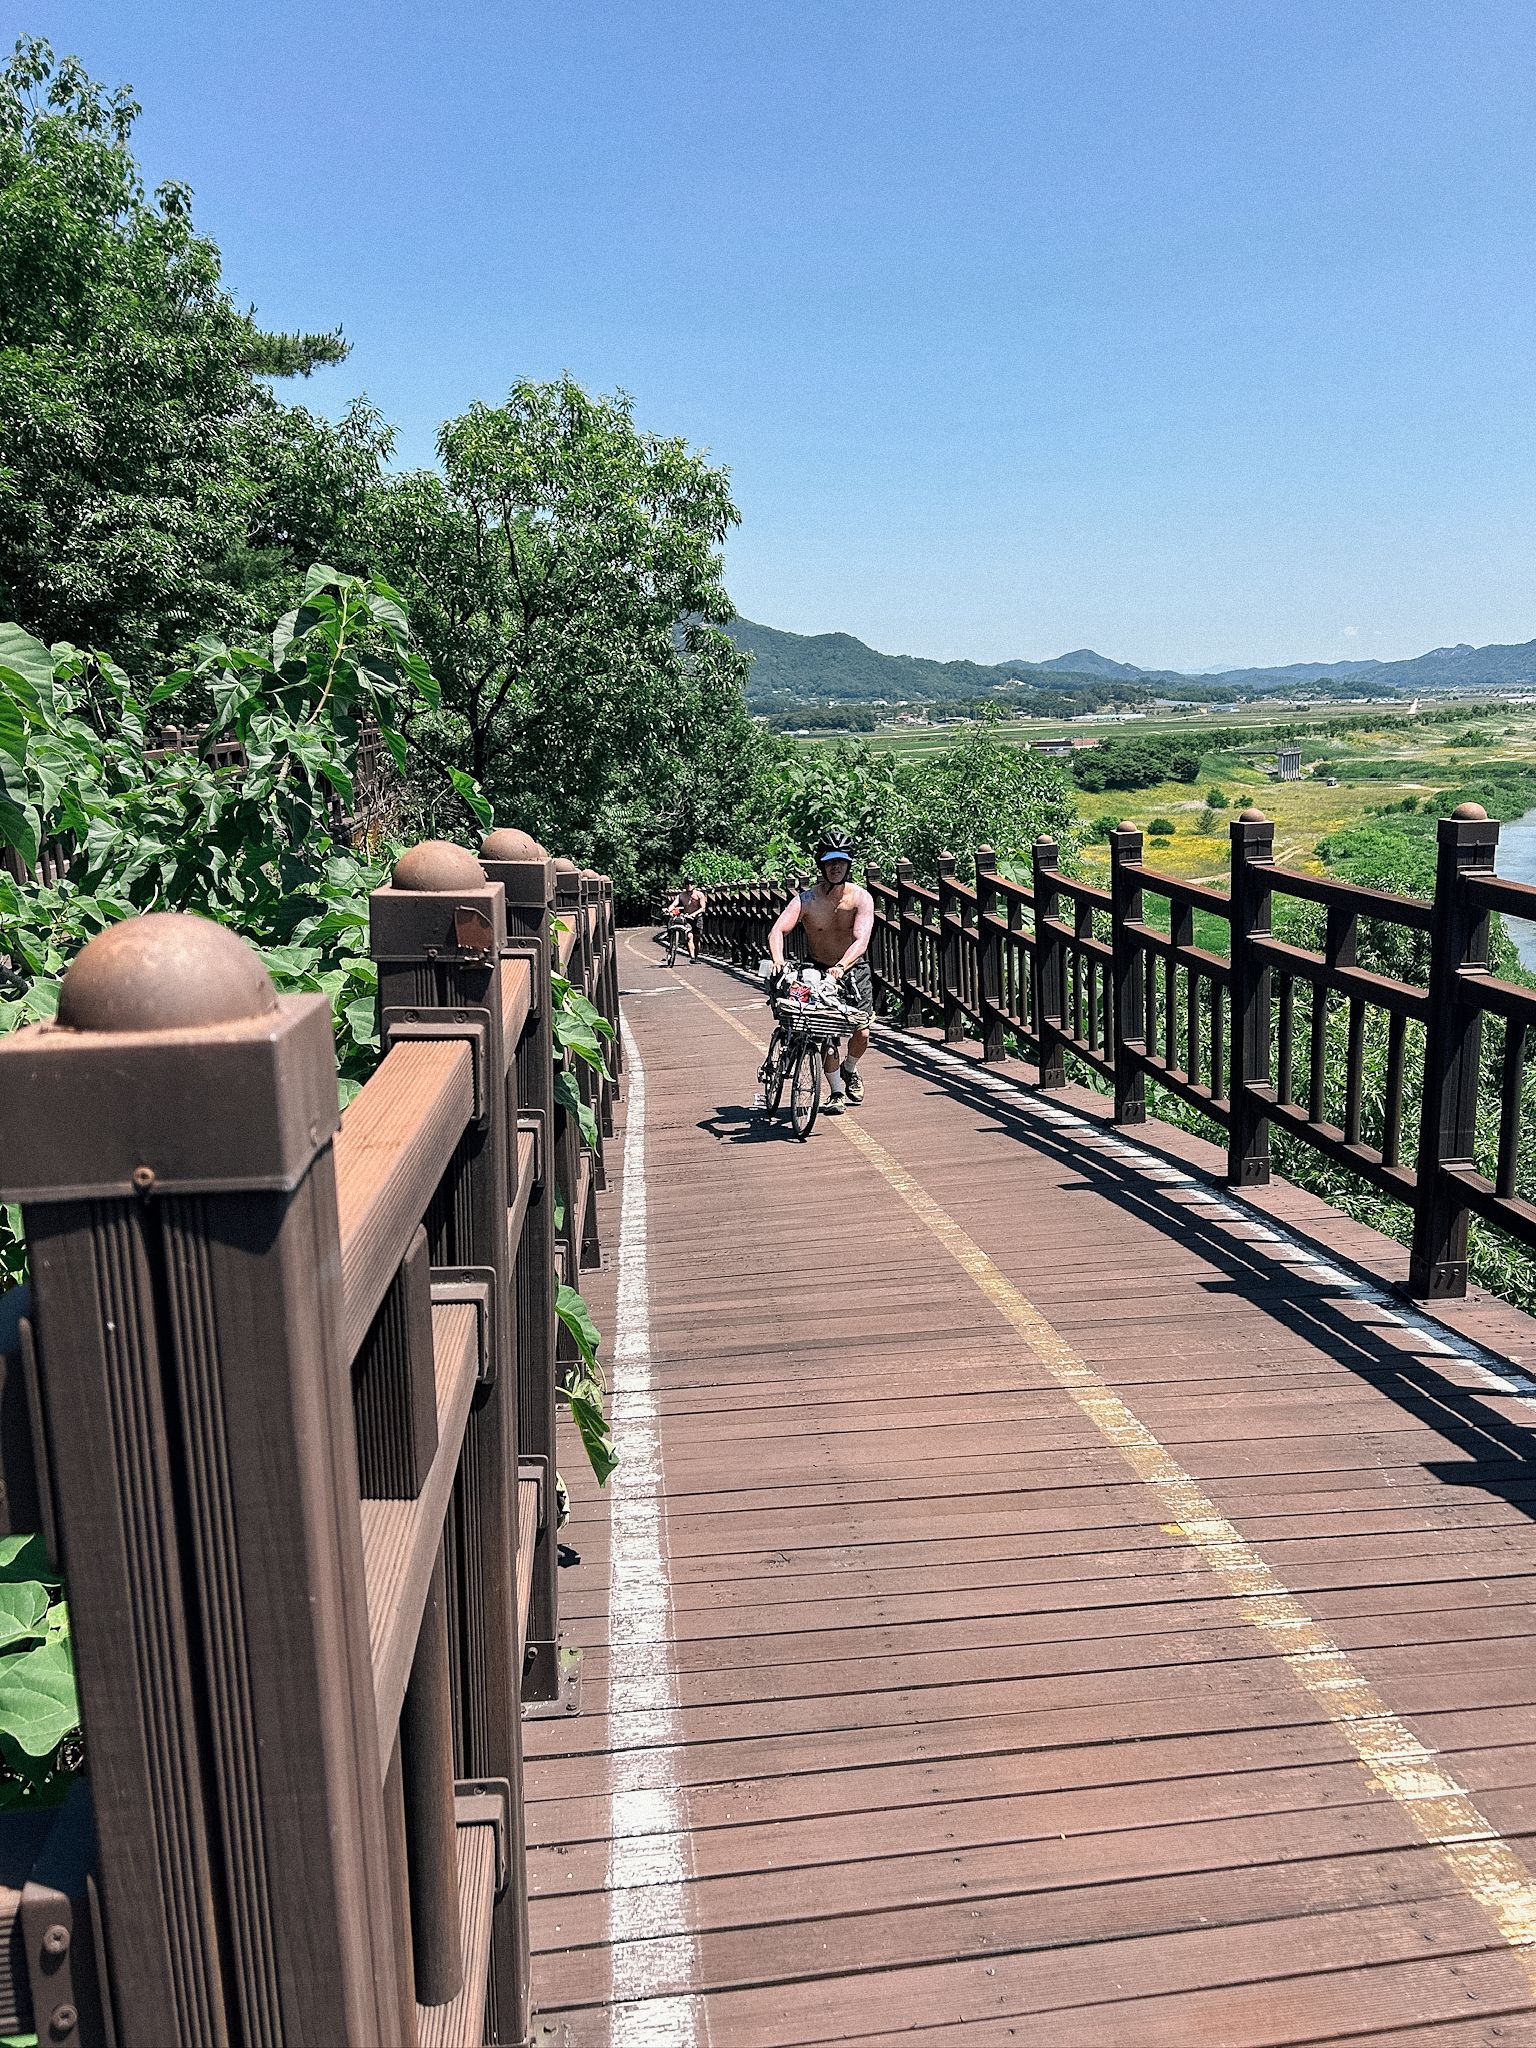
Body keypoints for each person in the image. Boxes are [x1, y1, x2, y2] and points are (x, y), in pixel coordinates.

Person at [766, 830, 875, 1113]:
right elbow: (778, 929)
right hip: (817, 967)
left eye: (840, 862)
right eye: (829, 862)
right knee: (823, 1031)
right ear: (821, 865)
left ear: (849, 864)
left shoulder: (860, 898)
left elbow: (861, 940)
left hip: (851, 969)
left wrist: (841, 966)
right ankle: (837, 1091)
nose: (835, 867)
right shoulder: (807, 900)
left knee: (861, 1032)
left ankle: (849, 1068)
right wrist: (777, 958)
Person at [664, 876, 707, 960]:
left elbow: (703, 908)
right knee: (689, 936)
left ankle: (696, 955)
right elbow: (674, 904)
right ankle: (692, 957)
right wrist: (668, 909)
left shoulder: (699, 894)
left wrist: (695, 914)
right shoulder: (681, 895)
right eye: (687, 884)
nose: (689, 886)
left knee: (696, 938)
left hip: (697, 918)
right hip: (687, 918)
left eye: (691, 884)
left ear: (694, 885)